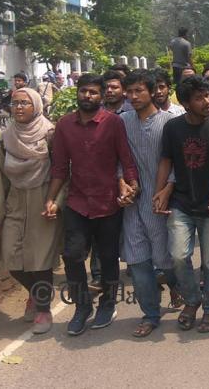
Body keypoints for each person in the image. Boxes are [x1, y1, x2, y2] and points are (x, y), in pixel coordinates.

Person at [44, 74, 139, 336]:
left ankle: (107, 305)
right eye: (84, 91)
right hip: (77, 201)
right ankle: (82, 306)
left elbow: (126, 159)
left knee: (108, 257)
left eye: (94, 92)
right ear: (77, 93)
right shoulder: (64, 125)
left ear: (102, 96)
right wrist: (51, 198)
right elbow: (60, 167)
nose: (88, 96)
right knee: (72, 255)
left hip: (109, 202)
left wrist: (132, 185)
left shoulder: (113, 123)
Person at [154, 76, 209, 333]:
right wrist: (159, 192)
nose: (207, 101)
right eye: (199, 98)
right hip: (181, 203)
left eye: (207, 95)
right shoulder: (173, 128)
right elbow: (166, 161)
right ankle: (192, 300)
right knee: (178, 255)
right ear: (186, 103)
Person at [0, 88, 61, 335]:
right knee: (11, 259)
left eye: (24, 103)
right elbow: (1, 181)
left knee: (40, 262)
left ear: (36, 106)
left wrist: (57, 202)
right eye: (15, 103)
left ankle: (42, 310)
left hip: (44, 201)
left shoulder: (50, 135)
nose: (18, 107)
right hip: (15, 204)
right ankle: (38, 293)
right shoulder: (5, 139)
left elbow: (63, 175)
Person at [119, 70, 178, 337]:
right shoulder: (121, 122)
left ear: (153, 91)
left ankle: (184, 291)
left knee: (169, 260)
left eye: (138, 91)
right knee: (138, 261)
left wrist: (168, 188)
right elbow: (116, 159)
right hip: (132, 204)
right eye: (129, 92)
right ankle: (150, 314)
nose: (132, 97)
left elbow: (179, 162)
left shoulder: (170, 123)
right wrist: (121, 183)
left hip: (163, 203)